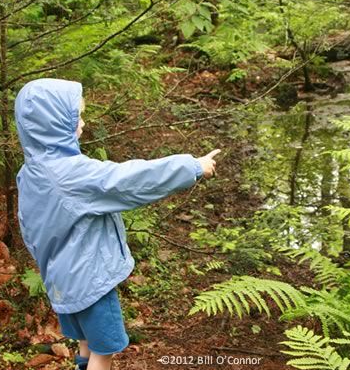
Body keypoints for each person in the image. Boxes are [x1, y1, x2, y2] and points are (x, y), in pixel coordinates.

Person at [14, 78, 220, 370]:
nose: (82, 122)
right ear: (55, 123)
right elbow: (131, 180)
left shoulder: (31, 171)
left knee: (86, 341)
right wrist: (193, 167)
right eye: (77, 116)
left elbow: (29, 228)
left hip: (61, 280)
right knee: (104, 351)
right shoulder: (72, 175)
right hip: (90, 282)